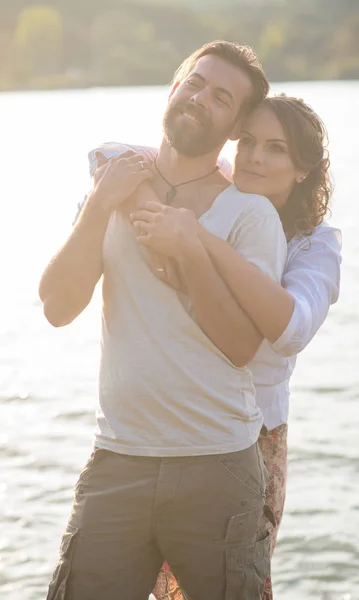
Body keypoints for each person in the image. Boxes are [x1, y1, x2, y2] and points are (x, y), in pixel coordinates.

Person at [39, 41, 290, 600]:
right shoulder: (110, 189)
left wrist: (192, 253)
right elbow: (58, 307)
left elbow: (242, 346)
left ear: (233, 128)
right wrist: (102, 204)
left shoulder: (249, 215)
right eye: (194, 83)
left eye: (221, 98)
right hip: (117, 457)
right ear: (174, 87)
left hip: (218, 463)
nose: (200, 99)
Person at [93, 94, 341, 600]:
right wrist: (148, 208)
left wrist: (197, 242)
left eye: (275, 149)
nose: (253, 157)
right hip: (176, 432)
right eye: (247, 141)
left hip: (252, 441)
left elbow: (292, 328)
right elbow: (106, 153)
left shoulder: (314, 244)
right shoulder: (219, 191)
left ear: (302, 170)